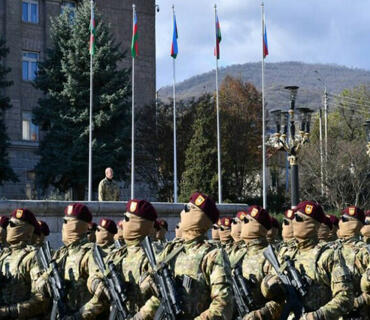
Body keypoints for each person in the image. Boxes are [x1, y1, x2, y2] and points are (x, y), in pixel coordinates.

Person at [264, 201, 354, 320]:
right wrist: (262, 310)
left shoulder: (328, 255)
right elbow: (279, 300)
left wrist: (316, 316)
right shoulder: (286, 252)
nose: (293, 222)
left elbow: (345, 298)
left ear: (312, 224)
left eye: (298, 218)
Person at [158, 192, 234, 319]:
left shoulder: (213, 254)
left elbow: (223, 304)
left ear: (200, 217)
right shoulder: (171, 250)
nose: (183, 212)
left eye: (188, 208)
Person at [50, 203, 109, 318]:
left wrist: (78, 316)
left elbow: (102, 294)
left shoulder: (90, 253)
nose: (64, 226)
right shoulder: (61, 253)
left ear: (77, 225)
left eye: (67, 222)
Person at [109, 199, 160, 318]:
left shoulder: (154, 255)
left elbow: (161, 297)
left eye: (127, 219)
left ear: (139, 224)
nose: (122, 223)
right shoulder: (118, 254)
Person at [233, 205, 282, 320]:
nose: (242, 224)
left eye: (246, 221)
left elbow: (281, 300)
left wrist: (259, 315)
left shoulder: (270, 257)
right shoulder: (239, 255)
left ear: (257, 227)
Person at [0, 208, 49, 319]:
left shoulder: (33, 257)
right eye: (8, 224)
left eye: (12, 225)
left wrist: (9, 311)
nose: (8, 228)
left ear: (25, 230)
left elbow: (41, 299)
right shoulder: (3, 255)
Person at [337, 206, 369, 319]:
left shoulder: (365, 252)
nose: (341, 222)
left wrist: (358, 301)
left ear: (355, 224)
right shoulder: (331, 249)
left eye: (345, 220)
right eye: (340, 219)